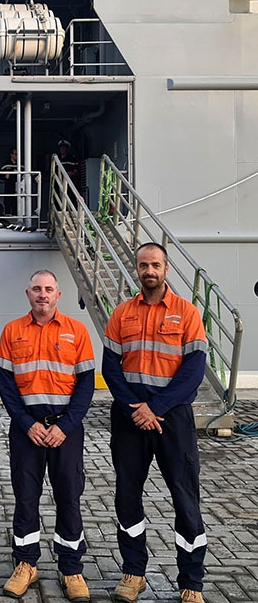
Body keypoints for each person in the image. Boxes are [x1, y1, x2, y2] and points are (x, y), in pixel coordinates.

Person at [102, 242, 208, 603]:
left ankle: (191, 582)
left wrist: (156, 407)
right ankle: (133, 573)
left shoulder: (187, 313)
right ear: (137, 269)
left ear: (166, 268)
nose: (149, 271)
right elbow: (110, 368)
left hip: (172, 418)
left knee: (184, 496)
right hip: (130, 418)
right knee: (127, 495)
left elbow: (194, 371)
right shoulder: (121, 314)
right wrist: (136, 407)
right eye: (144, 265)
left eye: (156, 265)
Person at [0, 270, 95, 601]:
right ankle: (26, 563)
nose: (42, 294)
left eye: (48, 289)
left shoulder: (77, 331)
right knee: (25, 497)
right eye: (36, 289)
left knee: (69, 496)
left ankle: (71, 568)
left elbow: (85, 386)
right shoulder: (12, 331)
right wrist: (27, 423)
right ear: (28, 294)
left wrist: (65, 426)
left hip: (65, 430)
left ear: (58, 295)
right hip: (28, 429)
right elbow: (6, 385)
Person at [0, 148, 18, 216]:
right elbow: (0, 176)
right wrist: (5, 176)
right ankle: (8, 219)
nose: (16, 156)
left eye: (17, 154)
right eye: (15, 154)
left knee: (17, 203)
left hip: (18, 187)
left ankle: (17, 217)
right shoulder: (6, 165)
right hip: (9, 187)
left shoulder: (21, 165)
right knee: (7, 203)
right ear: (11, 154)